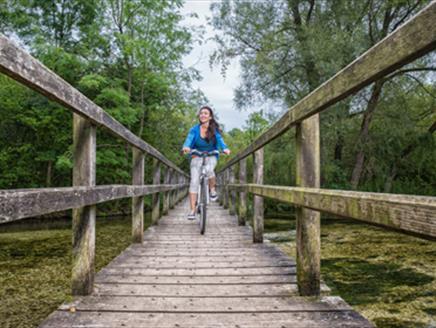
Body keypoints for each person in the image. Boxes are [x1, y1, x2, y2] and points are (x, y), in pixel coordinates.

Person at [182, 106, 231, 220]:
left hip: (211, 155)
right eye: (201, 113)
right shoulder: (194, 129)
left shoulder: (214, 130)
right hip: (196, 155)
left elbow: (220, 140)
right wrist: (186, 147)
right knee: (194, 181)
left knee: (209, 170)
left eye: (205, 113)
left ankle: (212, 189)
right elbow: (189, 139)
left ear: (210, 116)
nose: (203, 115)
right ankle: (192, 210)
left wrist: (225, 148)